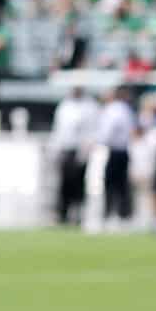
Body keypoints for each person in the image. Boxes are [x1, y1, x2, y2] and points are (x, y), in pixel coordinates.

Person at [49, 86, 98, 229]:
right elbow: (59, 129)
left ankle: (78, 213)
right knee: (64, 183)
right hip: (66, 148)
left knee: (79, 183)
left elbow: (91, 129)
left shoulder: (89, 107)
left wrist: (86, 148)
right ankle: (62, 214)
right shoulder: (65, 106)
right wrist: (56, 149)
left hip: (80, 148)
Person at [96, 85, 137, 226]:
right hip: (123, 150)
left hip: (115, 150)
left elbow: (107, 131)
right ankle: (122, 214)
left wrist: (101, 141)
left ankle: (109, 213)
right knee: (122, 184)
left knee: (111, 183)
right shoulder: (126, 110)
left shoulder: (113, 110)